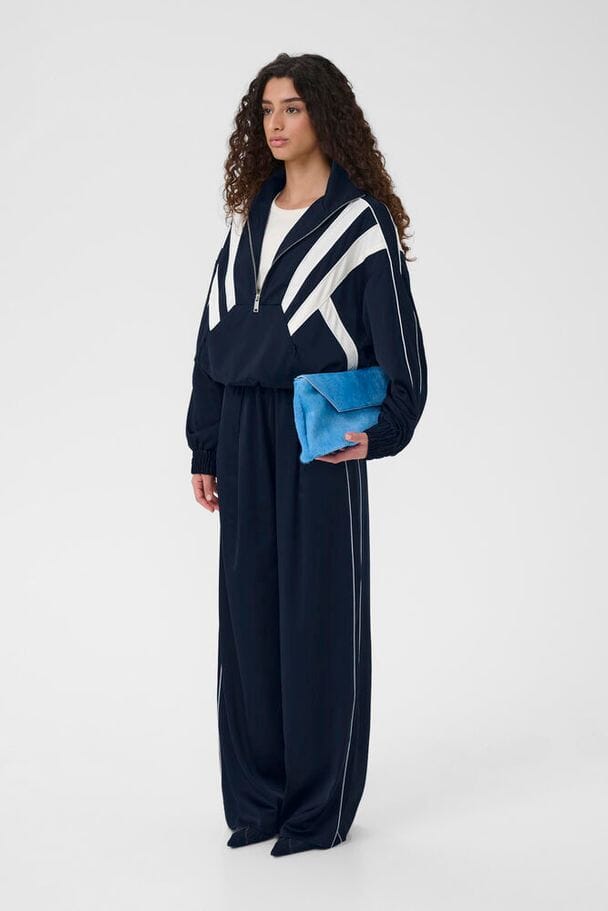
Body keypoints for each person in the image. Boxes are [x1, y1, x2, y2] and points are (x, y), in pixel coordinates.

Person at [185, 52, 428, 857]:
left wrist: (383, 430)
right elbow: (211, 341)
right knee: (248, 618)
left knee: (317, 618)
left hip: (316, 434)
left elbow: (401, 351)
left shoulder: (360, 224)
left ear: (325, 113)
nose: (276, 124)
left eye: (292, 107)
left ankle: (316, 807)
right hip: (243, 432)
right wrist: (205, 443)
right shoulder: (246, 222)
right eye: (266, 111)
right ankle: (258, 800)